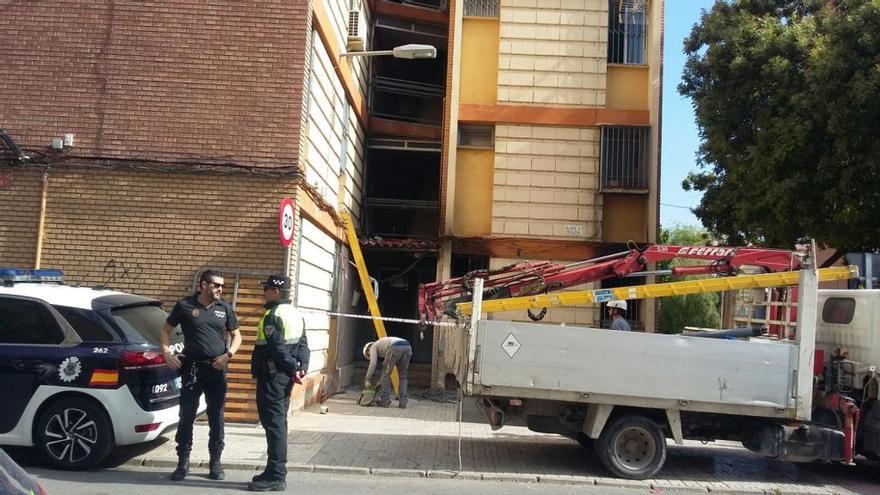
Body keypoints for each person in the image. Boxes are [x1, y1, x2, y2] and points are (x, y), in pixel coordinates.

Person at [161, 269, 241, 482]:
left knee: (217, 417)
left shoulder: (224, 308)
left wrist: (228, 355)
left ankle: (215, 462)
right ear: (203, 285)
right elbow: (164, 331)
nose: (220, 289)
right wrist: (167, 354)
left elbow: (237, 336)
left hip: (216, 369)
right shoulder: (185, 306)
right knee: (187, 415)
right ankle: (182, 462)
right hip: (192, 369)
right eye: (216, 285)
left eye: (222, 286)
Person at [248, 274, 309, 492]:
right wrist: (301, 368)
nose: (263, 293)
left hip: (272, 378)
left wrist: (293, 368)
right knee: (278, 423)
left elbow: (277, 348)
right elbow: (303, 344)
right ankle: (272, 470)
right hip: (284, 378)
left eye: (266, 289)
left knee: (274, 425)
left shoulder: (273, 315)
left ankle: (276, 475)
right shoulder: (296, 314)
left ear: (275, 292)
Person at [363, 336, 412, 409]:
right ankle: (403, 402)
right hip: (407, 346)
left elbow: (373, 364)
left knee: (386, 374)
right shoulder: (382, 344)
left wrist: (367, 378)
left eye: (369, 354)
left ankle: (384, 401)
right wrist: (380, 382)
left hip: (395, 347)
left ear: (368, 349)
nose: (370, 355)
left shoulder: (373, 346)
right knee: (403, 376)